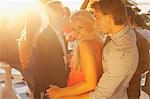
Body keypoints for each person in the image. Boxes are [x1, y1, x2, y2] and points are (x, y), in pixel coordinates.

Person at [60, 0, 139, 99]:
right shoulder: (125, 34)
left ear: (109, 17)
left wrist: (60, 94)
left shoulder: (119, 50)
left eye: (97, 17)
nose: (95, 23)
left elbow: (99, 95)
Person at [46, 10, 103, 99]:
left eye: (81, 27)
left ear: (91, 25)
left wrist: (60, 93)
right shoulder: (99, 42)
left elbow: (91, 84)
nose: (76, 32)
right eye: (73, 29)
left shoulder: (84, 44)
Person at [33, 1, 68, 98]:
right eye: (60, 9)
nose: (64, 11)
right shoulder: (44, 36)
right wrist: (66, 58)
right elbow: (45, 63)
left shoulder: (58, 32)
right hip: (52, 85)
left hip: (61, 81)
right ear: (52, 14)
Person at [126, 8, 150, 99]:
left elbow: (145, 65)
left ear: (128, 18)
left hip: (131, 87)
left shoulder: (139, 39)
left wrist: (127, 73)